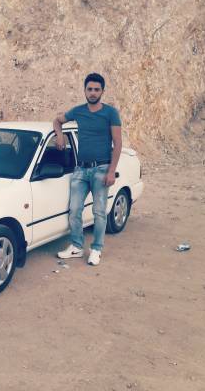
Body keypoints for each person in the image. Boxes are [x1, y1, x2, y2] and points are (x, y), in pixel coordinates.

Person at [53, 73, 122, 266]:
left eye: (96, 90)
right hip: (80, 170)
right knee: (75, 209)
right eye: (89, 89)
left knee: (99, 212)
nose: (93, 93)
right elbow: (57, 121)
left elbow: (118, 143)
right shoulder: (78, 111)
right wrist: (59, 135)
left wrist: (111, 171)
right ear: (84, 90)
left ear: (102, 91)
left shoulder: (111, 113)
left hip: (101, 169)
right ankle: (76, 246)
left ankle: (96, 249)